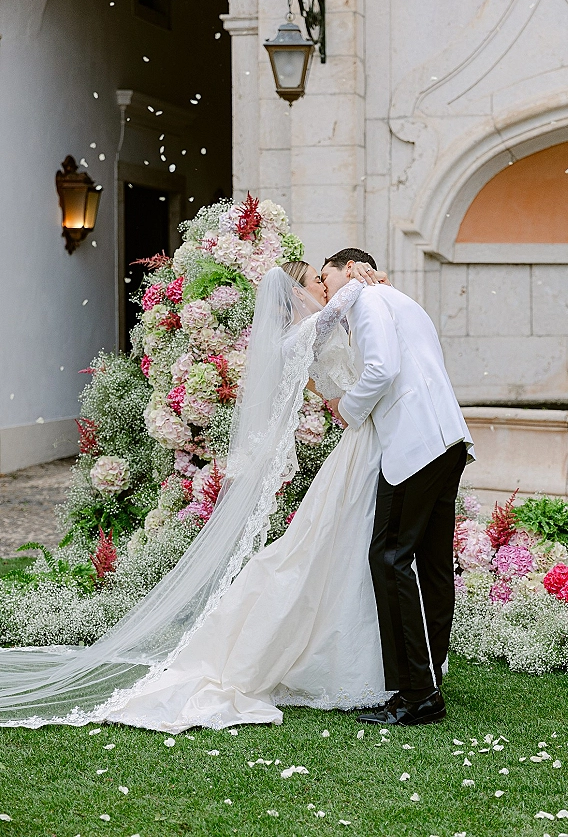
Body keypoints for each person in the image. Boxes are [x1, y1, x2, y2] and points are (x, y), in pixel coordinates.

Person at [0, 259, 394, 732]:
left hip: (366, 436)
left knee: (340, 544)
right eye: (316, 281)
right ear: (294, 294)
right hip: (364, 436)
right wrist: (363, 284)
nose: (325, 288)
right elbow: (340, 325)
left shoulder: (315, 327)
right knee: (322, 548)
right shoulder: (303, 333)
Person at [322, 248, 474, 726]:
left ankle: (417, 694)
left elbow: (382, 369)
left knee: (388, 556)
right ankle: (430, 675)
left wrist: (346, 408)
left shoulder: (366, 301)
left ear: (350, 269)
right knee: (431, 561)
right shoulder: (401, 299)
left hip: (414, 443)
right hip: (448, 438)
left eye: (326, 280)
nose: (326, 292)